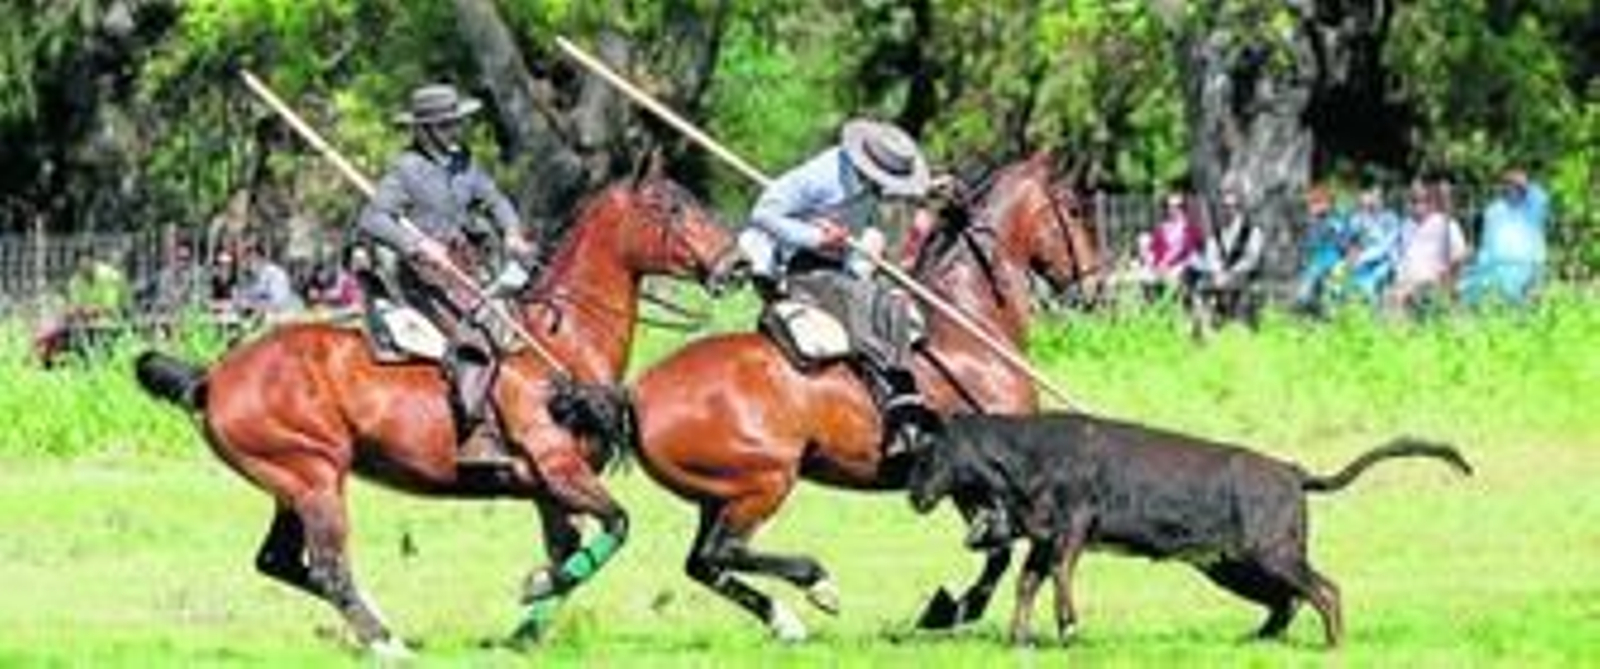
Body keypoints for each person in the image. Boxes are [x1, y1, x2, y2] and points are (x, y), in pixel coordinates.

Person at [358, 83, 536, 467]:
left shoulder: (463, 162)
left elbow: (495, 199)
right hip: (423, 278)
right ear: (424, 129)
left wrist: (511, 231)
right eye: (446, 125)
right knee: (476, 334)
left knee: (521, 317)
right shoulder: (405, 169)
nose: (455, 130)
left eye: (457, 122)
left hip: (467, 268)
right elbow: (373, 219)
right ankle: (474, 435)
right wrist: (418, 245)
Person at [737, 118, 937, 458]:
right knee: (870, 303)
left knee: (892, 303)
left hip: (838, 268)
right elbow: (764, 213)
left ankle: (900, 397)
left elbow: (863, 244)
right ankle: (899, 414)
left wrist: (860, 268)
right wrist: (816, 237)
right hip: (796, 266)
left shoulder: (873, 188)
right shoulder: (819, 177)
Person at [1463, 168, 1550, 306]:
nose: (1512, 189)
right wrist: (1483, 267)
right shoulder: (1493, 211)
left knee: (1526, 305)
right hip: (1499, 270)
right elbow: (1487, 244)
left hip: (1527, 269)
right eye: (1508, 185)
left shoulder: (1532, 208)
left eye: (1517, 186)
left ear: (1523, 189)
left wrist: (1527, 183)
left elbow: (1542, 197)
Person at [1388, 182, 1470, 317]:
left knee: (1404, 298)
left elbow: (1460, 256)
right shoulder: (1405, 226)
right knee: (1391, 299)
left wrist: (1448, 276)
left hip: (1434, 282)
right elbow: (1398, 256)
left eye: (1423, 201)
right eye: (1413, 201)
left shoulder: (1446, 224)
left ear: (1432, 203)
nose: (1418, 206)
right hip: (1406, 281)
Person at [1193, 186, 1265, 327]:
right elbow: (1211, 256)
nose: (1228, 210)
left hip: (1242, 276)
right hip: (1219, 276)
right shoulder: (1217, 233)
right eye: (1225, 207)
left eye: (1232, 206)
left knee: (1238, 287)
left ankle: (1237, 322)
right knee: (1200, 285)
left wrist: (1231, 273)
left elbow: (1252, 259)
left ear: (1239, 208)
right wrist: (1218, 271)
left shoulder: (1252, 231)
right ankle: (1204, 327)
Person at [1292, 186, 1355, 316]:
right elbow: (1306, 244)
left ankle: (1331, 312)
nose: (1313, 208)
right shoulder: (1311, 222)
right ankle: (1308, 308)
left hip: (1333, 260)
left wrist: (1344, 258)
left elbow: (1344, 243)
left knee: (1333, 289)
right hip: (1315, 261)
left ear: (1327, 204)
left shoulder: (1336, 221)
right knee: (1305, 291)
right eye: (1311, 204)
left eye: (1317, 203)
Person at [1137, 191, 1205, 302]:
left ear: (1184, 208)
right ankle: (1152, 306)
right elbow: (1153, 249)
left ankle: (1173, 305)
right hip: (1160, 267)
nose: (1174, 210)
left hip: (1180, 268)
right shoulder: (1162, 229)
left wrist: (1170, 265)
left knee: (1174, 277)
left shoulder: (1191, 229)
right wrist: (1154, 263)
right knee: (1144, 275)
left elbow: (1190, 253)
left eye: (1178, 206)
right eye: (1170, 206)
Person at [1346, 185, 1402, 305]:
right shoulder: (1361, 218)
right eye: (1373, 197)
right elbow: (1352, 240)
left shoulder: (1391, 218)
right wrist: (1353, 255)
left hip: (1384, 262)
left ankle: (1371, 303)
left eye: (1379, 197)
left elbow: (1385, 247)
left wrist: (1361, 258)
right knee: (1350, 280)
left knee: (1372, 283)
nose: (1376, 201)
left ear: (1384, 200)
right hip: (1363, 262)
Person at [235, 242, 303, 318]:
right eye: (247, 259)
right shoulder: (247, 277)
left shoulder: (275, 274)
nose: (250, 262)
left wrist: (253, 306)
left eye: (254, 258)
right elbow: (241, 299)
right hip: (262, 315)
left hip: (289, 314)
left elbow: (278, 304)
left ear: (262, 258)